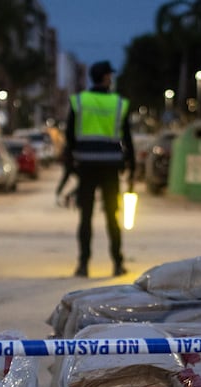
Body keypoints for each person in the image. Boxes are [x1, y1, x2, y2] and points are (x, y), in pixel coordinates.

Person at [64, 60, 135, 277]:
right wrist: (131, 166)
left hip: (86, 165)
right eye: (110, 76)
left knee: (85, 216)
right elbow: (127, 138)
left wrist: (72, 163)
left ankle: (83, 265)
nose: (111, 79)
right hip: (110, 165)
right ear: (105, 77)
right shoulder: (119, 103)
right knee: (112, 216)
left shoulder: (79, 101)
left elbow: (69, 136)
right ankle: (117, 264)